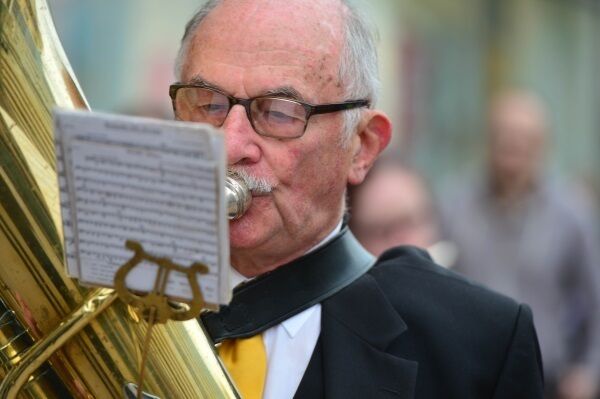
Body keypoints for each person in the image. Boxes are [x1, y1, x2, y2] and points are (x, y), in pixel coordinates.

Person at [170, 1, 544, 398]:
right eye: (208, 104)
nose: (229, 145)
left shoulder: (479, 344)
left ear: (361, 147)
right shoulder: (114, 296)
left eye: (279, 113)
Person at [440, 90, 600, 399]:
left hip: (546, 379)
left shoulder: (573, 212)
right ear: (488, 139)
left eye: (525, 137)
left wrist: (589, 370)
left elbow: (596, 299)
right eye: (505, 135)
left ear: (544, 144)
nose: (514, 146)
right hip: (467, 376)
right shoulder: (453, 206)